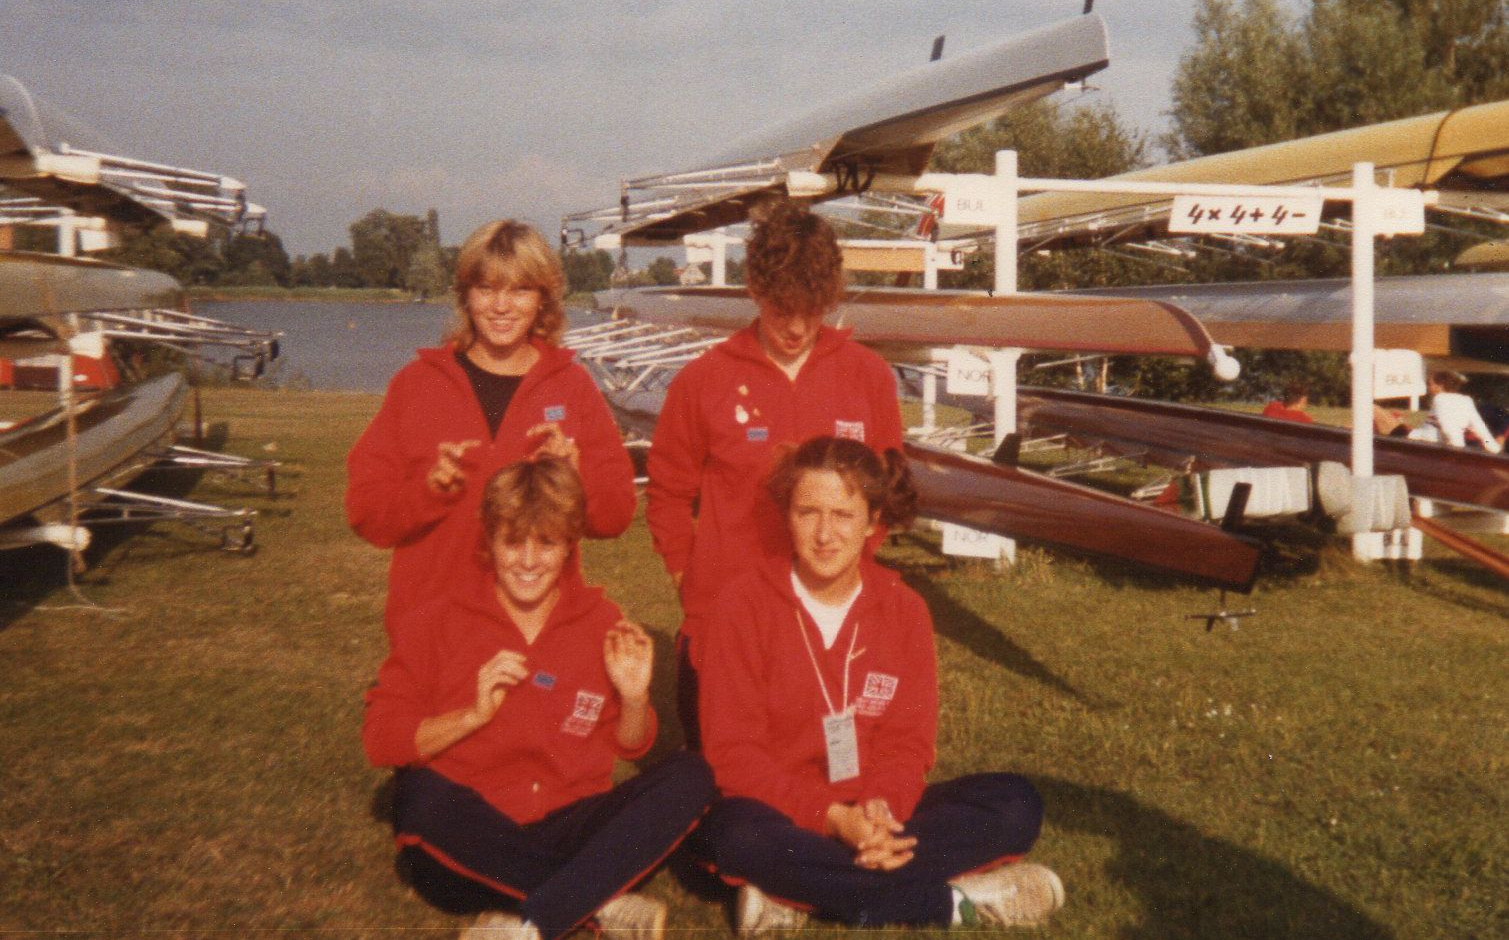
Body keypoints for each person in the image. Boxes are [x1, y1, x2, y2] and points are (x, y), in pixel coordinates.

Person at [697, 437, 1063, 933]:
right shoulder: (742, 605)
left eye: (843, 515)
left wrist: (881, 813)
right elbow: (736, 755)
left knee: (1015, 802)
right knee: (732, 832)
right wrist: (831, 820)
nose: (825, 534)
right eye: (808, 513)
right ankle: (954, 903)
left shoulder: (904, 610)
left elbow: (907, 742)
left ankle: (796, 893)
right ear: (786, 516)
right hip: (782, 813)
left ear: (872, 522)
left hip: (875, 811)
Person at [363, 457, 715, 940]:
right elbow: (381, 740)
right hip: (477, 825)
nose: (528, 561)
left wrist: (634, 697)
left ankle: (533, 923)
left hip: (569, 823)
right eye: (513, 541)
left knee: (692, 774)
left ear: (570, 544)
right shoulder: (438, 620)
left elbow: (631, 745)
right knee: (419, 796)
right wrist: (472, 716)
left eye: (546, 542)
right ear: (489, 541)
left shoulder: (599, 620)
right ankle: (596, 900)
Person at [646, 198, 904, 745]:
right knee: (724, 795)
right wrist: (687, 582)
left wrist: (853, 569)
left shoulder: (869, 377)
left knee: (824, 787)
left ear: (828, 298)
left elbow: (885, 493)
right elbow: (667, 495)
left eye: (810, 309)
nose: (794, 326)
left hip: (829, 625)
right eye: (780, 307)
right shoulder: (703, 380)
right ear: (755, 291)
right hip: (725, 622)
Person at [346, 219, 635, 638]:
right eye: (486, 289)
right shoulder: (416, 385)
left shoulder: (572, 387)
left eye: (519, 290)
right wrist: (427, 492)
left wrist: (577, 479)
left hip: (537, 633)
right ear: (465, 296)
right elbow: (366, 513)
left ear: (543, 299)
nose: (502, 306)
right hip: (433, 630)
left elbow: (617, 516)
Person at [1414, 370, 1503, 454]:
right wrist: (1494, 449)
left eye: (1429, 384)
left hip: (1426, 448)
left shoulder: (1440, 399)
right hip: (1434, 445)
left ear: (1440, 385)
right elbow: (1480, 428)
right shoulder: (1466, 401)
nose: (1428, 387)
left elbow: (1449, 427)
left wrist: (1457, 450)